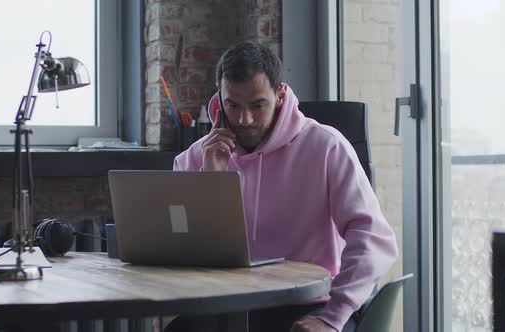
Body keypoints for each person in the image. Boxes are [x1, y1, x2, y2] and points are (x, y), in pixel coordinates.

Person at [170, 40, 398, 332]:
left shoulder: (326, 146)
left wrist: (333, 315)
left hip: (313, 304)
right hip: (224, 303)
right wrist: (210, 177)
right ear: (219, 97)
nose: (245, 119)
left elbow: (373, 237)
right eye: (233, 105)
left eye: (257, 105)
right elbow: (181, 252)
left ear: (279, 94)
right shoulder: (195, 157)